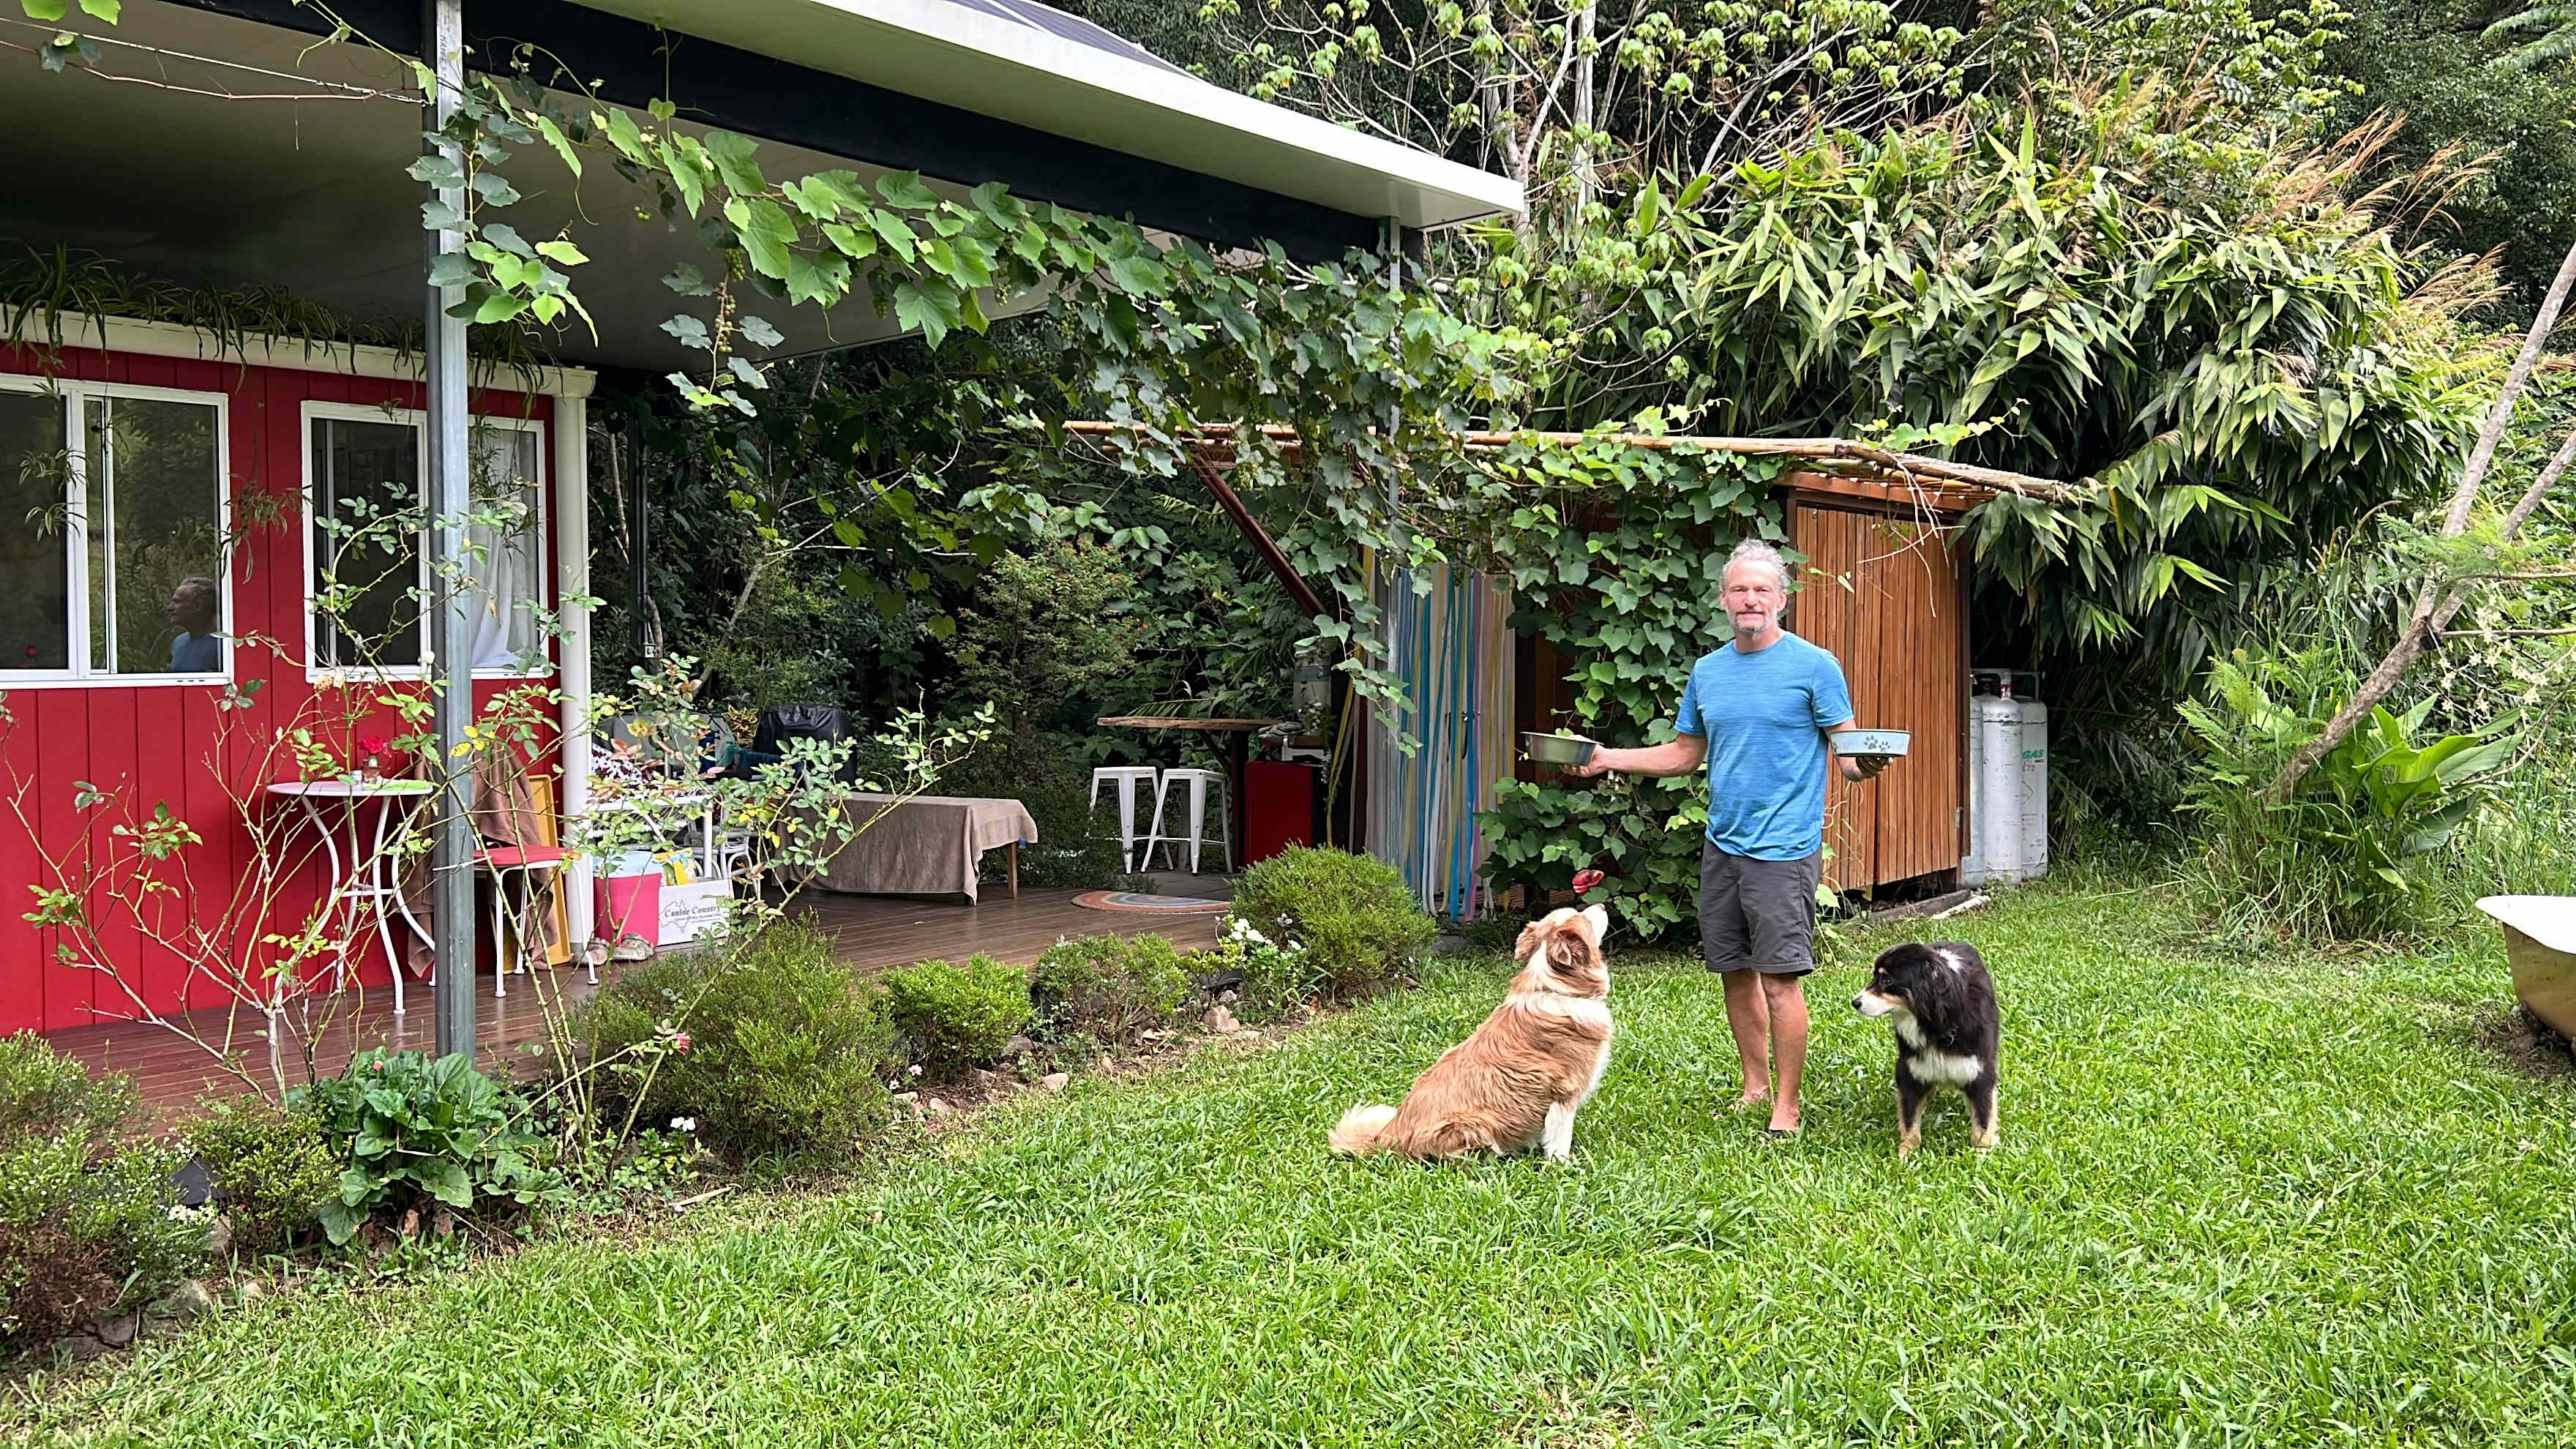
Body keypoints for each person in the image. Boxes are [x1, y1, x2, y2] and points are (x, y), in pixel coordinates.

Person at [1568, 538, 1892, 1137]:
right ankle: (1755, 1085)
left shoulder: (1815, 666)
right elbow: (1685, 755)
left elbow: (1848, 756)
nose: (1751, 599)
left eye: (1762, 589)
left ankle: (1787, 1107)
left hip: (1784, 851)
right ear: (1724, 600)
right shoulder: (1709, 672)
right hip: (1725, 846)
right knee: (1735, 972)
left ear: (1782, 600)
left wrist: (1866, 765)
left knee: (1779, 980)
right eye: (1740, 589)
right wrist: (1606, 756)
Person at [165, 576, 221, 674]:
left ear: (198, 606)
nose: (170, 608)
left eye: (177, 602)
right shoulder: (178, 643)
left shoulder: (223, 646)